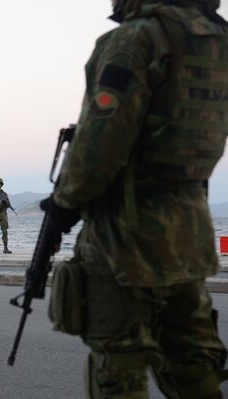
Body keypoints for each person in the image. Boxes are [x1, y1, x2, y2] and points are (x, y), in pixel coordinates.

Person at [41, 0, 228, 397]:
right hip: (190, 231)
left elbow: (100, 142)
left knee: (119, 367)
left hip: (125, 237)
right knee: (193, 364)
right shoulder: (218, 38)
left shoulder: (136, 39)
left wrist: (64, 203)